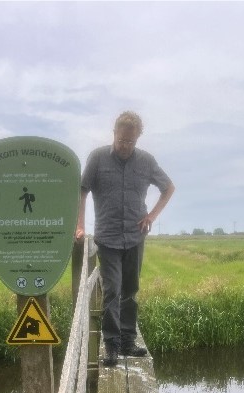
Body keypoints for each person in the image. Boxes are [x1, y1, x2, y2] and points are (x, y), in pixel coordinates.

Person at [75, 111, 175, 366]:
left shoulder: (146, 161)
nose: (125, 146)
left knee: (130, 290)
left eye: (130, 142)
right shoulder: (98, 157)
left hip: (135, 235)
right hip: (107, 236)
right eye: (121, 140)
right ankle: (111, 345)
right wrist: (80, 225)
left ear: (137, 137)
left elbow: (168, 187)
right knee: (112, 289)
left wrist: (151, 216)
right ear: (114, 134)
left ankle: (128, 342)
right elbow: (82, 191)